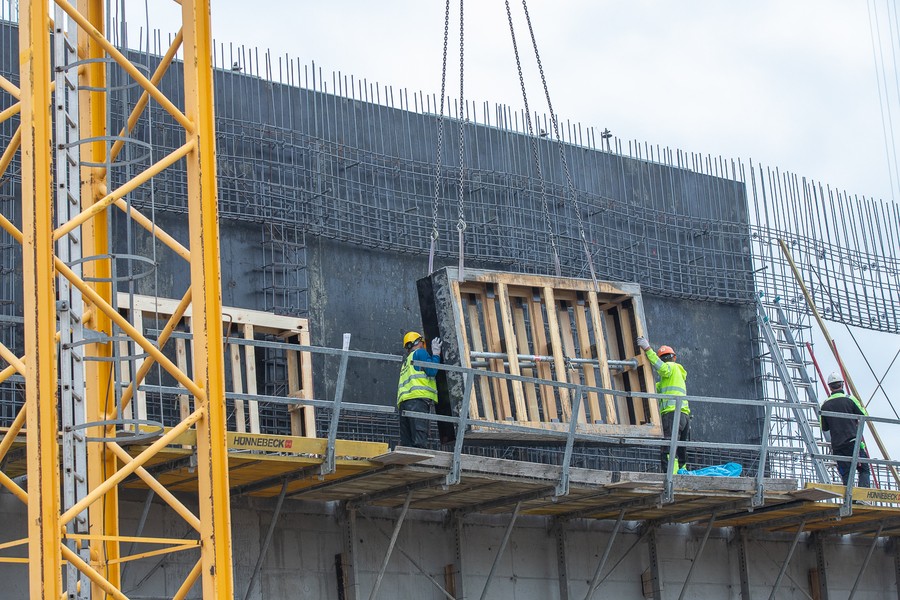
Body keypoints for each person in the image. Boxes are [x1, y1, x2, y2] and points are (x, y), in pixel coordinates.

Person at [636, 337, 690, 473]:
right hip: (684, 415)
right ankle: (682, 473)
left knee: (668, 447)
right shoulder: (676, 376)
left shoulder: (671, 368)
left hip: (672, 414)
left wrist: (647, 349)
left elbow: (662, 367)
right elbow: (657, 388)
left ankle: (671, 477)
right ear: (675, 357)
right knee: (680, 448)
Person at [820, 372, 870, 489]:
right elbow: (864, 416)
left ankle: (850, 499)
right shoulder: (850, 399)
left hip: (838, 446)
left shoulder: (825, 405)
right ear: (842, 384)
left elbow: (824, 427)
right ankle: (862, 497)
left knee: (846, 474)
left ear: (830, 387)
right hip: (854, 443)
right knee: (863, 469)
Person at [397, 331, 442, 448]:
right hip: (418, 401)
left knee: (407, 443)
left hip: (404, 402)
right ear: (419, 342)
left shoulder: (406, 362)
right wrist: (436, 354)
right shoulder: (420, 353)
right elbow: (432, 371)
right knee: (419, 441)